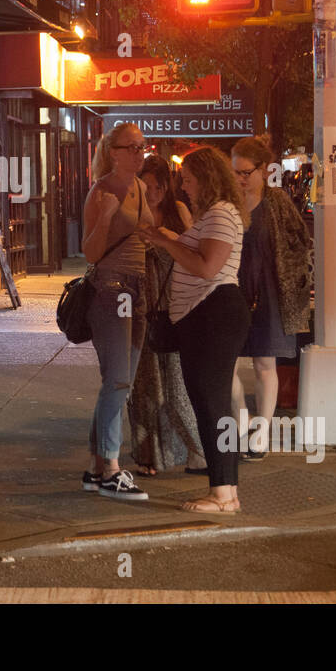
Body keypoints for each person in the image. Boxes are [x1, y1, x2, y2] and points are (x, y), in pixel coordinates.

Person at [139, 146, 251, 514]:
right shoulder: (216, 215)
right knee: (211, 405)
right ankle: (226, 490)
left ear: (206, 178)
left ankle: (222, 493)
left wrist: (166, 241)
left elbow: (207, 267)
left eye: (187, 180)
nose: (183, 187)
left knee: (211, 405)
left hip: (213, 314)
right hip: (204, 316)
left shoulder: (220, 214)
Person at [79, 122, 153, 500]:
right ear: (114, 152)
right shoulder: (102, 190)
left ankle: (97, 467)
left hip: (137, 290)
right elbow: (89, 252)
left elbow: (151, 236)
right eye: (133, 147)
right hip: (111, 288)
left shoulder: (140, 188)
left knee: (121, 381)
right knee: (119, 381)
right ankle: (110, 467)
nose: (140, 153)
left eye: (143, 146)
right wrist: (107, 216)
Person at [229, 136, 312, 461]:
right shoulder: (228, 202)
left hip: (268, 291)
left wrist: (290, 279)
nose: (239, 178)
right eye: (235, 171)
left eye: (245, 172)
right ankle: (242, 421)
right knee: (227, 364)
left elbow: (299, 241)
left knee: (265, 363)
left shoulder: (277, 202)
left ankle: (261, 431)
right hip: (232, 291)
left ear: (263, 170)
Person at [128, 154, 204, 477]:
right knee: (145, 386)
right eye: (147, 186)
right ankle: (148, 455)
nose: (152, 192)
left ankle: (199, 450)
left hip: (172, 306)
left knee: (177, 385)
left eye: (158, 186)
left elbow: (193, 255)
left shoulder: (179, 212)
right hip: (142, 307)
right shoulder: (133, 214)